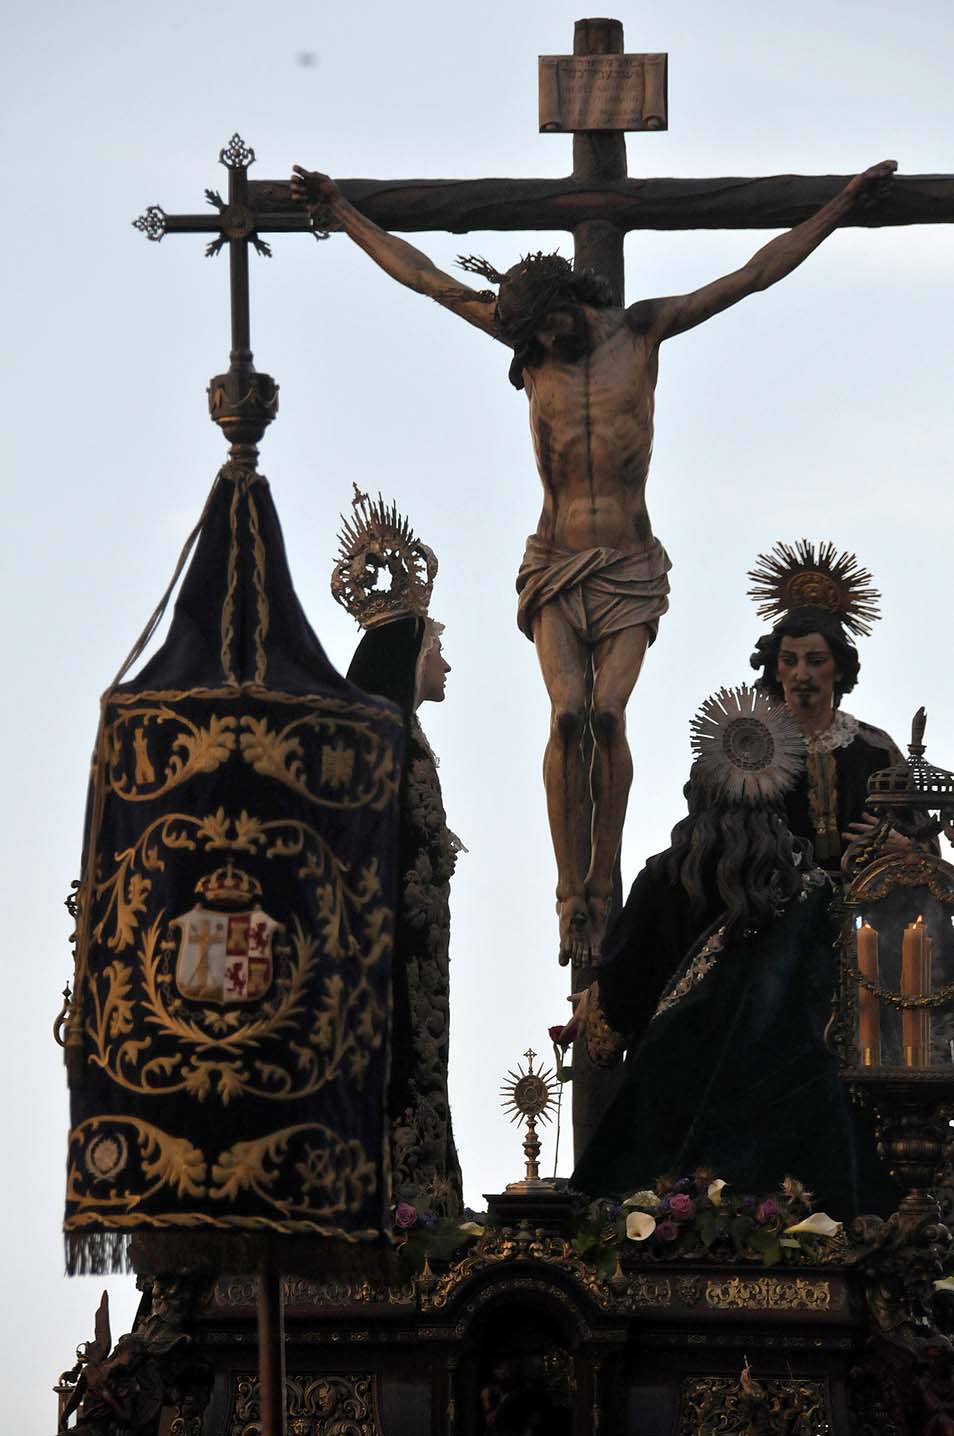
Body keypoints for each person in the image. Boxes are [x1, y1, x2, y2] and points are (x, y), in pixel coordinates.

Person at [290, 160, 897, 965]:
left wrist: (840, 207)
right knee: (567, 713)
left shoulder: (642, 332)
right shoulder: (534, 354)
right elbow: (428, 279)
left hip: (628, 567)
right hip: (553, 563)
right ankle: (569, 887)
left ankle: (602, 879)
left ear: (570, 303)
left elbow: (753, 274)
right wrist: (342, 210)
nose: (538, 349)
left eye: (544, 331)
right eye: (528, 343)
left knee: (606, 717)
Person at [568, 685, 896, 1216]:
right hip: (796, 1151)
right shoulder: (811, 890)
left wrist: (594, 1008)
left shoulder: (665, 879)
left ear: (698, 792)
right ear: (775, 798)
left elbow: (612, 1027)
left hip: (673, 1145)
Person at [332, 487, 463, 1215]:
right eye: (438, 651)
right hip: (377, 958)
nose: (446, 666)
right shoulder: (373, 739)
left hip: (414, 956)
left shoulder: (404, 736)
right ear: (407, 654)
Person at [747, 540, 909, 870]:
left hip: (870, 908)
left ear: (839, 669)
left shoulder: (876, 749)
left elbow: (922, 840)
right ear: (776, 670)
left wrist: (906, 848)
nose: (801, 674)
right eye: (789, 661)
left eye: (816, 660)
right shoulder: (750, 749)